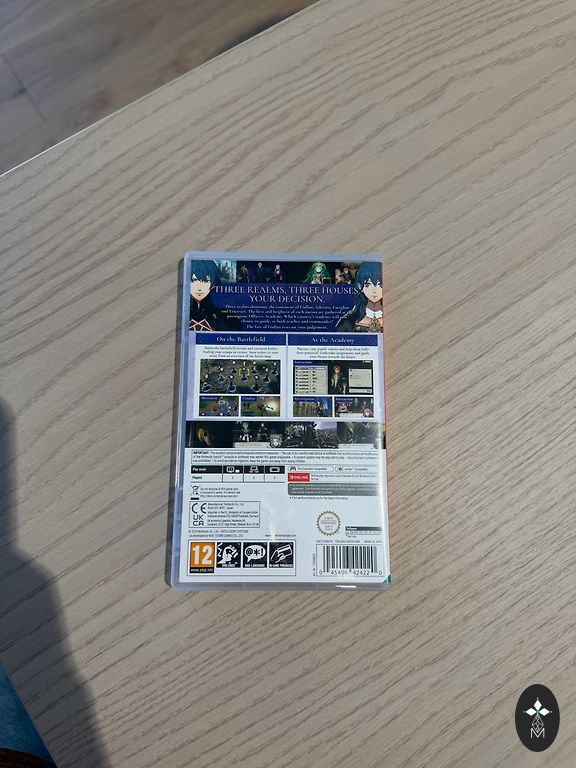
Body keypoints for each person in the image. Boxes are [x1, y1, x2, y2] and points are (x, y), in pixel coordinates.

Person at [189, 259, 242, 331]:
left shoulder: (227, 318)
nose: (199, 288)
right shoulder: (182, 314)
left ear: (213, 284)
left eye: (206, 281)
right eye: (193, 280)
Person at [336, 261, 383, 332]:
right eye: (368, 285)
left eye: (380, 285)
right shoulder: (348, 321)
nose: (374, 291)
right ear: (360, 286)